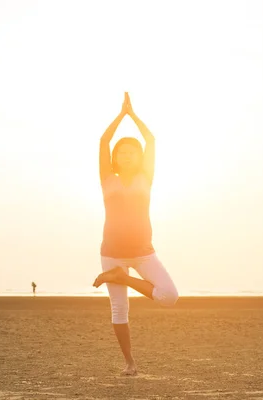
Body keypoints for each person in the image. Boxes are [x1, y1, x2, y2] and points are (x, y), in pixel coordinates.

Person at [92, 92, 179, 376]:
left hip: (143, 252)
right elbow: (104, 142)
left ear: (139, 157)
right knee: (119, 310)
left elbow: (151, 140)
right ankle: (130, 363)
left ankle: (123, 278)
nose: (126, 154)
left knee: (170, 296)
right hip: (112, 252)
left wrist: (133, 116)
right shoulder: (107, 179)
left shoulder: (146, 178)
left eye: (132, 151)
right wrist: (120, 116)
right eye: (122, 151)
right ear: (115, 157)